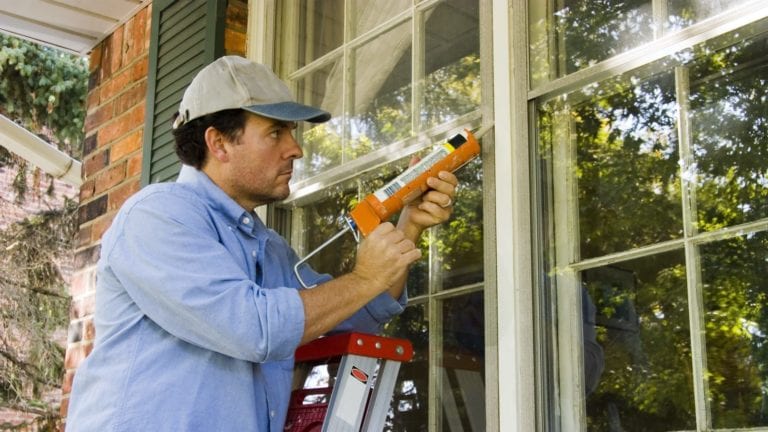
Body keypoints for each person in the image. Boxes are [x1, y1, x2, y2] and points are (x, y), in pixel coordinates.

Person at [66, 55, 459, 432]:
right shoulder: (157, 216)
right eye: (276, 132)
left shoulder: (270, 249)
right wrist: (364, 278)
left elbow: (354, 313)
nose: (296, 148)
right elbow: (252, 327)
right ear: (218, 143)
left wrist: (408, 226)